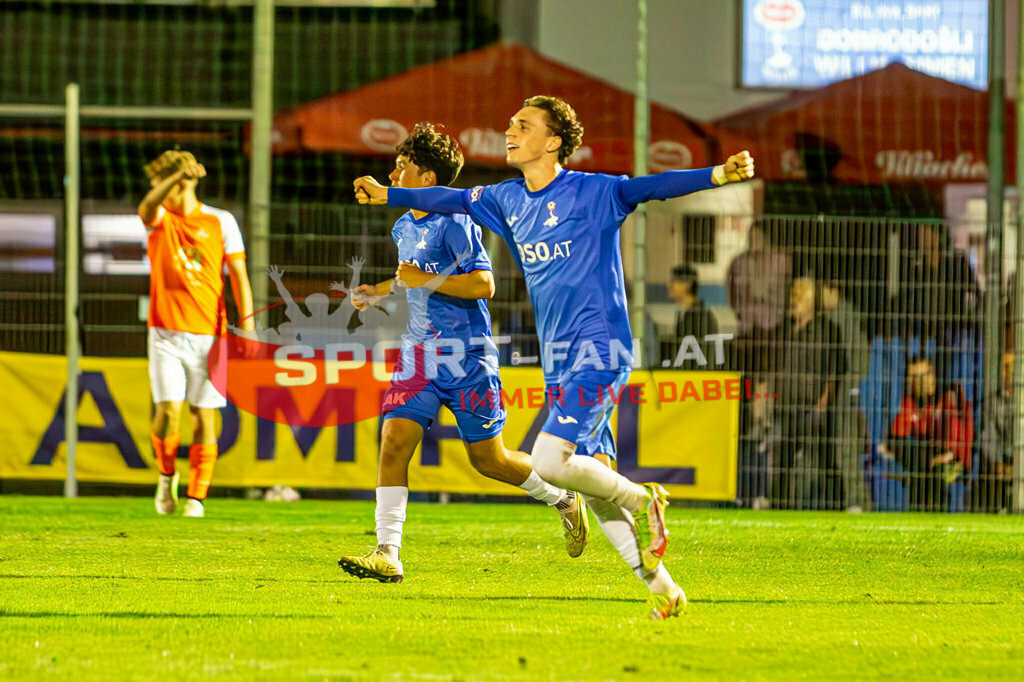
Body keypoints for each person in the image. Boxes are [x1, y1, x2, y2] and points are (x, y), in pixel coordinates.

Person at [354, 96, 754, 620]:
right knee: (592, 483)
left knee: (549, 461)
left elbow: (653, 187)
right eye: (511, 121)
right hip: (560, 358)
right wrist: (388, 194)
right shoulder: (505, 199)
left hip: (600, 348)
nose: (510, 129)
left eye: (524, 125)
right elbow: (449, 198)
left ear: (554, 141)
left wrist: (719, 176)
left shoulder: (594, 192)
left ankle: (644, 498)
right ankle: (663, 587)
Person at [337, 123, 586, 584]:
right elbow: (413, 274)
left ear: (427, 180)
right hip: (418, 355)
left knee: (489, 460)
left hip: (467, 358)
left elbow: (483, 284)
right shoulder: (403, 225)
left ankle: (563, 498)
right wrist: (381, 289)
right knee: (393, 443)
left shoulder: (456, 222)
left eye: (402, 167)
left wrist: (418, 281)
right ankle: (387, 551)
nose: (393, 174)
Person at [139, 150, 255, 518]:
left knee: (204, 416)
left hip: (211, 335)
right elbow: (146, 206)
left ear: (183, 183)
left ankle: (196, 497)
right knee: (168, 411)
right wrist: (172, 180)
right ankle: (165, 475)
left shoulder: (221, 221)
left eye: (165, 182)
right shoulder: (160, 220)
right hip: (165, 333)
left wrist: (248, 325)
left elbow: (238, 275)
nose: (158, 190)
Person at [772, 278, 846, 510]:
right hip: (787, 404)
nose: (794, 303)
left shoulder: (827, 330)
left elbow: (836, 369)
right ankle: (778, 504)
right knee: (784, 457)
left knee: (825, 457)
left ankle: (838, 505)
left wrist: (824, 400)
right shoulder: (785, 329)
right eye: (793, 297)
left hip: (813, 405)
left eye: (800, 298)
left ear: (812, 302)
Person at [886, 356, 974, 511]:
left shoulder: (950, 394)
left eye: (925, 375)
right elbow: (896, 436)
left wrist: (939, 457)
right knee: (913, 460)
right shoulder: (911, 401)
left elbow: (955, 440)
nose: (921, 381)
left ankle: (936, 514)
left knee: (926, 470)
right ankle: (918, 516)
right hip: (927, 458)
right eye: (914, 377)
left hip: (954, 459)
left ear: (932, 374)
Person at [820, 279, 871, 512]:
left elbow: (859, 360)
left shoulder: (844, 319)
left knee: (846, 451)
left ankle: (858, 502)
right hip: (837, 395)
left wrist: (850, 388)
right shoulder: (838, 318)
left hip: (843, 396)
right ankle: (852, 501)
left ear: (833, 290)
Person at [664, 263, 719, 369]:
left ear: (687, 284)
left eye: (673, 281)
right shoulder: (689, 313)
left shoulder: (698, 317)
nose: (668, 285)